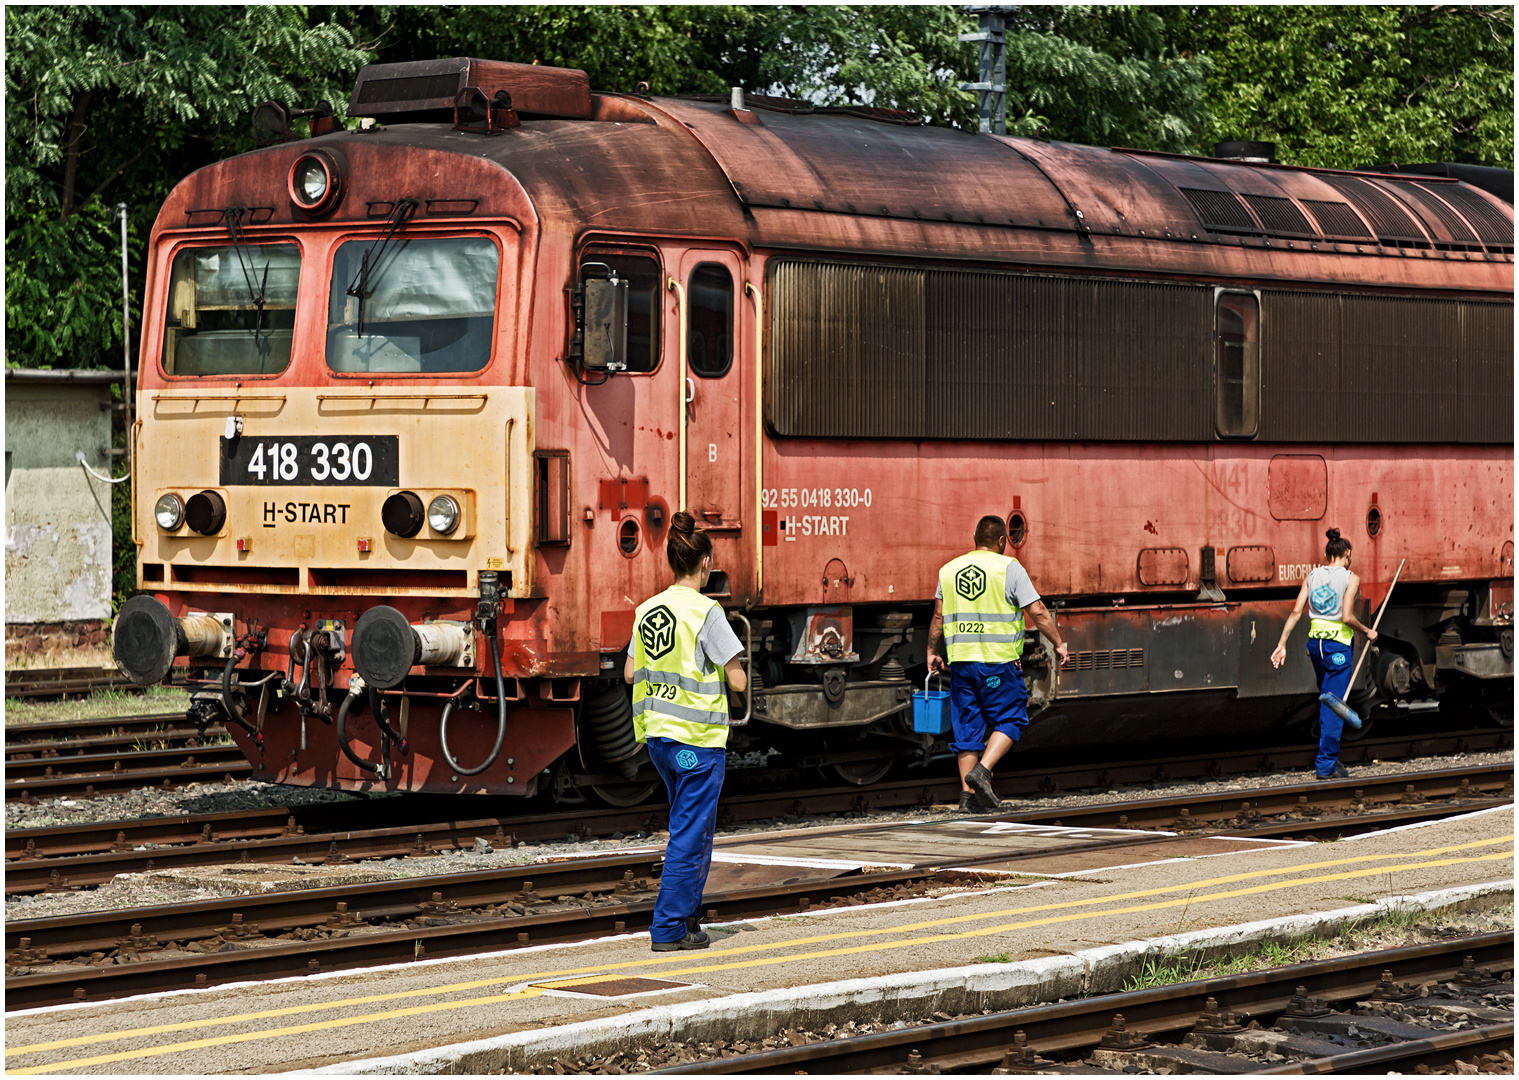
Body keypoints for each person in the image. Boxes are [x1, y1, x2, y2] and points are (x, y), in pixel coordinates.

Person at [625, 511, 747, 951]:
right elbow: (738, 681)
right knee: (689, 834)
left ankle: (690, 918)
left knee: (694, 828)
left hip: (658, 739)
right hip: (697, 740)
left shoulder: (647, 609)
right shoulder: (706, 611)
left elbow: (628, 672)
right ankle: (669, 929)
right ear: (706, 563)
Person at [927, 515, 1069, 812]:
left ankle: (966, 799)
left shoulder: (948, 571)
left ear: (975, 538)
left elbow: (938, 617)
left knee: (966, 729)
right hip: (998, 663)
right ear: (1003, 541)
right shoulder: (1009, 568)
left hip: (961, 664)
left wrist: (932, 651)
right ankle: (983, 771)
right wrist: (1058, 642)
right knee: (1012, 718)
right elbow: (1039, 612)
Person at [1270, 528, 1377, 780]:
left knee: (1327, 700)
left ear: (1328, 553)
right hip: (1338, 648)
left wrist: (1282, 643)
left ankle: (1329, 757)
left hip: (1315, 647)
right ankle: (1326, 765)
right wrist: (1367, 631)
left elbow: (1297, 612)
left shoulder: (1313, 575)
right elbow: (1347, 617)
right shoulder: (1351, 578)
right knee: (1334, 706)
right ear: (1347, 553)